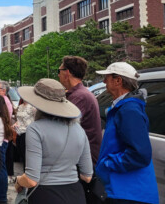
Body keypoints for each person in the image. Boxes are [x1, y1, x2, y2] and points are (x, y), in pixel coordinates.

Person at [14, 78, 93, 204]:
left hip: (46, 194)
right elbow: (87, 176)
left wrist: (18, 181)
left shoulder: (36, 129)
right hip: (75, 194)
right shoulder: (79, 129)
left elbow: (31, 179)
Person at [95, 63, 159, 204]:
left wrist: (107, 164)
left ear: (118, 81)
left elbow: (140, 155)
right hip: (125, 190)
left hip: (129, 193)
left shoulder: (129, 110)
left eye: (107, 77)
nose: (104, 81)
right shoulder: (125, 108)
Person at [58, 56, 102, 164]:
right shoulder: (79, 94)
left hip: (84, 160)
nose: (58, 75)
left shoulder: (79, 96)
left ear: (66, 73)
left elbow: (63, 127)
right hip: (82, 157)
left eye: (58, 71)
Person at [0, 80, 13, 203]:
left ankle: (1, 198)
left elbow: (1, 121)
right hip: (1, 138)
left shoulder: (4, 102)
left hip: (0, 139)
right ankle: (0, 196)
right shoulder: (4, 101)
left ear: (4, 90)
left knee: (1, 169)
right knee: (0, 168)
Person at [13, 98, 35, 170]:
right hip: (19, 132)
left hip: (28, 132)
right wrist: (15, 125)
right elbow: (18, 120)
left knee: (27, 156)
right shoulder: (20, 106)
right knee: (22, 154)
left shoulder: (32, 107)